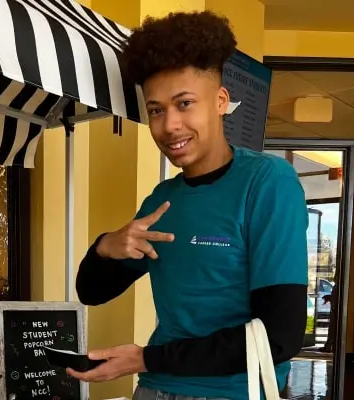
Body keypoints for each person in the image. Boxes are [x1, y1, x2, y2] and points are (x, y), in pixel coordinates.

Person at [67, 10, 309, 400]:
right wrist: (105, 246)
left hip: (234, 392)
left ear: (220, 101)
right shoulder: (162, 199)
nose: (169, 125)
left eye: (184, 104)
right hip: (153, 391)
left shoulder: (267, 183)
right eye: (156, 110)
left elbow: (280, 336)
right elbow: (90, 291)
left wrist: (145, 358)